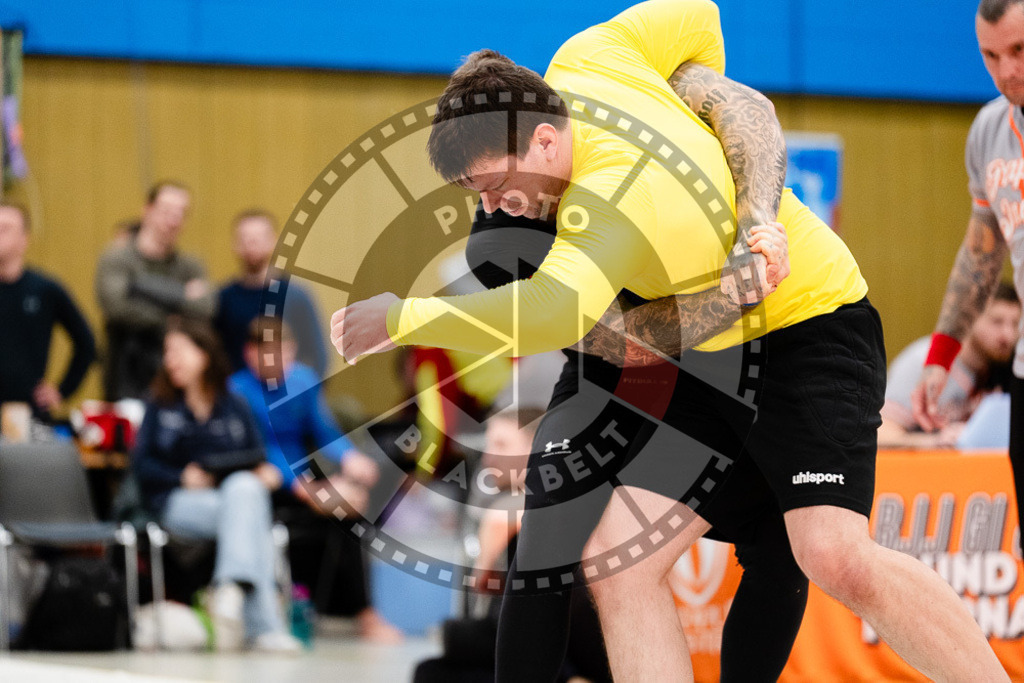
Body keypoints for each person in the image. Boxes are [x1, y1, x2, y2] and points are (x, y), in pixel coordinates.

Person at [333, 3, 1006, 681]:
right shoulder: (589, 55)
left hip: (810, 323)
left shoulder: (610, 199)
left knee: (832, 554)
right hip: (702, 357)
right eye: (478, 194)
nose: (493, 207)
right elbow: (704, 20)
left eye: (499, 187)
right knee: (620, 562)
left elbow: (551, 311)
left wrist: (400, 318)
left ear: (543, 140)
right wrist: (693, 97)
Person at [915, 0, 1024, 559]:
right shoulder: (988, 131)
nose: (1007, 71)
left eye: (1020, 51)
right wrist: (942, 353)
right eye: (991, 56)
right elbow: (982, 254)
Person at [131, 317, 299, 653]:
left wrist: (262, 471)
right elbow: (140, 466)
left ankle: (230, 589)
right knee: (251, 515)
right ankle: (263, 626)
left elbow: (257, 454)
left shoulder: (233, 403)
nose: (171, 360)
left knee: (244, 491)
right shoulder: (159, 403)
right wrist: (181, 477)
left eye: (179, 350)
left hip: (228, 498)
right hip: (176, 502)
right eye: (167, 352)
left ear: (204, 354)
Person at [228, 318, 403, 643]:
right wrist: (300, 486)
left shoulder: (303, 380)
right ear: (250, 354)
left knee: (352, 515)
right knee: (333, 503)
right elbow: (259, 448)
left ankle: (364, 613)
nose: (278, 362)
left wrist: (350, 457)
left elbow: (324, 430)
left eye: (284, 353)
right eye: (268, 354)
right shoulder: (236, 391)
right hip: (265, 482)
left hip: (304, 478)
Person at [95, 181, 216, 401]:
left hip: (176, 382)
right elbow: (117, 308)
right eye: (167, 211)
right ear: (147, 210)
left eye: (181, 213)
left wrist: (139, 288)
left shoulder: (190, 265)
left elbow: (205, 308)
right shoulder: (118, 259)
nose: (174, 220)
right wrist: (180, 298)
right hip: (125, 377)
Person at [883, 283, 1019, 448]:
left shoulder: (1006, 367)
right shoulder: (924, 362)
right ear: (970, 319)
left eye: (1015, 324)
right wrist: (933, 443)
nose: (1008, 335)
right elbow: (880, 435)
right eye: (996, 322)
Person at [0, 202, 96, 416]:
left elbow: (86, 344)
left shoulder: (44, 290)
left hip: (26, 413)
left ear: (24, 240)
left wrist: (61, 390)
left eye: (5, 229)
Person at [215, 208, 329, 377]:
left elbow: (318, 357)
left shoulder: (296, 296)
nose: (251, 244)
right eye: (245, 238)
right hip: (238, 396)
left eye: (258, 238)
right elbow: (217, 357)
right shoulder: (224, 298)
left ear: (274, 241)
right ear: (235, 244)